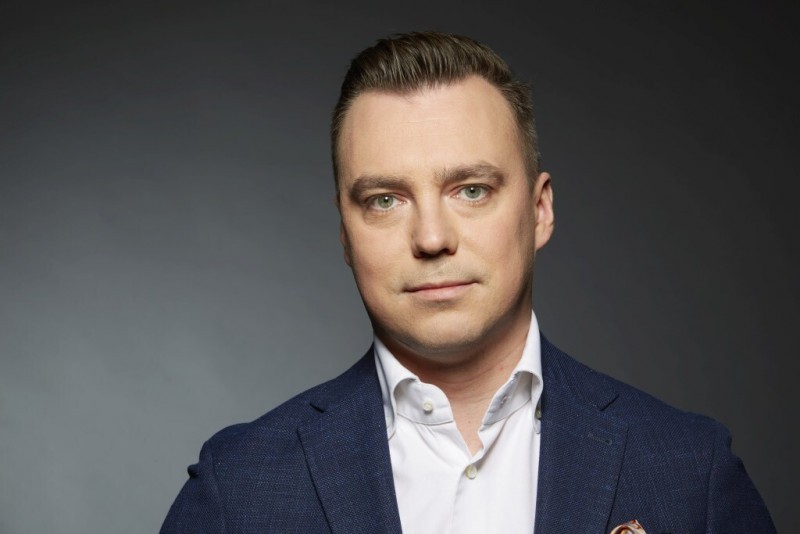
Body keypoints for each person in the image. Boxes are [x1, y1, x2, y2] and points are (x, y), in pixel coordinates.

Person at [161, 32, 774, 533]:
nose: (432, 237)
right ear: (345, 234)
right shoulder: (238, 490)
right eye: (384, 200)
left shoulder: (689, 472)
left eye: (471, 190)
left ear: (539, 211)